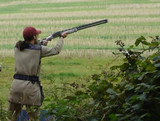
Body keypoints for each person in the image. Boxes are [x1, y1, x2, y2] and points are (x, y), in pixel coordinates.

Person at [8, 26, 68, 121]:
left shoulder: (17, 47)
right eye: (37, 35)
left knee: (13, 116)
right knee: (33, 118)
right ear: (34, 37)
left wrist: (41, 42)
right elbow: (56, 50)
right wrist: (61, 38)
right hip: (31, 89)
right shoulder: (39, 49)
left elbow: (29, 46)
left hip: (16, 87)